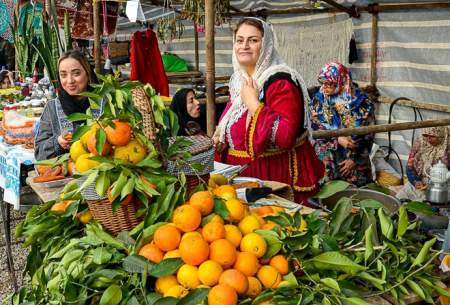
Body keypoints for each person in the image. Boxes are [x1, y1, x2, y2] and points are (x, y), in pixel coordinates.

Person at [213, 18, 324, 204]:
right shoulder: (240, 80)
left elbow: (285, 136)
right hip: (243, 181)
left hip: (273, 177)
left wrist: (253, 103)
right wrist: (221, 137)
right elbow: (235, 126)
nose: (244, 46)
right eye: (239, 40)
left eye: (253, 40)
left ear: (266, 45)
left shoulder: (281, 81)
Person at [310, 62, 375, 187]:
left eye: (329, 84)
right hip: (328, 161)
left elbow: (369, 135)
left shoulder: (363, 103)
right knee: (328, 197)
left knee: (356, 199)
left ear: (342, 81)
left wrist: (354, 160)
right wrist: (338, 138)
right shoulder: (319, 101)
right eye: (322, 83)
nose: (324, 88)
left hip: (354, 162)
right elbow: (316, 129)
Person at [35, 50, 98, 160]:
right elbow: (39, 153)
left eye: (76, 73)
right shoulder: (52, 108)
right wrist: (57, 142)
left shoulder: (104, 102)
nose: (70, 81)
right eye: (63, 75)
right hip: (67, 175)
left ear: (88, 74)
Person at [396, 126, 450, 201]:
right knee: (400, 198)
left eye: (432, 136)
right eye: (426, 135)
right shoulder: (420, 144)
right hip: (420, 182)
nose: (428, 139)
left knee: (431, 205)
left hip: (441, 187)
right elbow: (409, 167)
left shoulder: (447, 147)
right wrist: (415, 181)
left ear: (441, 136)